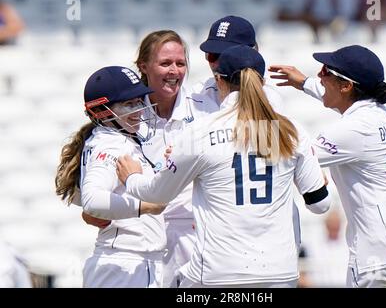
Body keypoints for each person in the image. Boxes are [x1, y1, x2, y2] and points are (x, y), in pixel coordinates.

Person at [116, 45, 331, 288]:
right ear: (261, 81)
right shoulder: (292, 130)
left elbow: (157, 194)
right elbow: (320, 204)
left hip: (219, 273)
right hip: (280, 272)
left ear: (219, 81)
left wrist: (132, 177)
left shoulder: (199, 132)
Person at [269, 44, 386, 288]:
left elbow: (291, 156)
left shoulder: (353, 129)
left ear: (347, 85)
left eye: (326, 71)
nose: (319, 75)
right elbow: (342, 99)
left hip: (382, 255)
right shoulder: (382, 109)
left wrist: (258, 118)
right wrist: (303, 82)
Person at [81, 30, 216, 288]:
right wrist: (145, 207)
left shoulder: (205, 108)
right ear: (144, 66)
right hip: (131, 253)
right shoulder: (114, 133)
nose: (174, 70)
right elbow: (90, 200)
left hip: (183, 240)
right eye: (165, 63)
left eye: (180, 63)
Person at [55, 66, 167, 288]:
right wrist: (147, 206)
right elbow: (92, 201)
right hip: (122, 266)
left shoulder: (120, 140)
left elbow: (89, 209)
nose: (138, 110)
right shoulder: (110, 145)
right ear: (102, 112)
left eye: (138, 101)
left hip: (135, 263)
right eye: (128, 104)